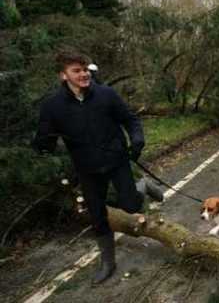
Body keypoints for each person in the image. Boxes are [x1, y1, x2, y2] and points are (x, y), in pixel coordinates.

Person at [32, 50, 163, 285]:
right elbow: (47, 142)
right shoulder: (52, 106)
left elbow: (130, 120)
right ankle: (108, 262)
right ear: (64, 76)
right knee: (98, 216)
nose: (83, 74)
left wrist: (137, 140)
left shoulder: (106, 94)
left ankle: (143, 185)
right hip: (87, 169)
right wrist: (42, 144)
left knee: (131, 205)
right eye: (76, 71)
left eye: (85, 69)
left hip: (117, 160)